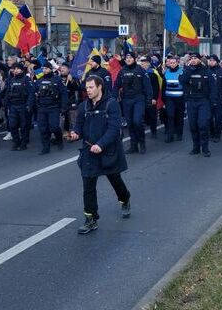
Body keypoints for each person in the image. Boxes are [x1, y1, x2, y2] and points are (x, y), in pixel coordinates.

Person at [69, 75, 130, 235]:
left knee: (115, 180)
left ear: (100, 87)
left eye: (91, 87)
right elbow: (79, 126)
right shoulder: (84, 106)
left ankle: (125, 199)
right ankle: (91, 219)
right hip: (89, 152)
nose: (88, 90)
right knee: (88, 186)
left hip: (108, 151)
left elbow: (114, 129)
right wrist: (75, 133)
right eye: (86, 88)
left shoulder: (112, 104)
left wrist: (101, 144)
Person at [114, 53, 152, 154]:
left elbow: (148, 86)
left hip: (138, 99)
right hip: (126, 100)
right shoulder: (122, 71)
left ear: (134, 59)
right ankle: (133, 146)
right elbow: (117, 85)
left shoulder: (141, 70)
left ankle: (142, 143)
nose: (128, 59)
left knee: (137, 121)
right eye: (127, 58)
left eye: (130, 58)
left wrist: (149, 99)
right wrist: (113, 98)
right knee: (130, 124)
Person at [180, 53, 215, 157]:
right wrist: (190, 69)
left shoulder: (206, 72)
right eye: (192, 58)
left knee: (203, 125)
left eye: (196, 58)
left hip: (203, 101)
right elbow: (182, 80)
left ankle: (205, 148)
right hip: (191, 101)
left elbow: (213, 87)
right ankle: (196, 147)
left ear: (200, 60)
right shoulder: (187, 71)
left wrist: (213, 101)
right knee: (193, 126)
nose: (194, 60)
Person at [34, 62, 68, 155]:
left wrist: (64, 107)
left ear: (50, 69)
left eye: (46, 68)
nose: (44, 70)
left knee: (54, 127)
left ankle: (59, 139)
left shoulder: (57, 80)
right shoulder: (39, 81)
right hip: (42, 108)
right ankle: (46, 147)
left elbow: (64, 94)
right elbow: (35, 93)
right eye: (43, 68)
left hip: (54, 107)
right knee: (43, 129)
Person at [4, 62, 35, 151]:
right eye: (15, 69)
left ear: (22, 70)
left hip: (23, 105)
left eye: (18, 68)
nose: (16, 70)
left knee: (24, 126)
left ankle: (23, 143)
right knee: (12, 125)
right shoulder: (11, 80)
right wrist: (6, 103)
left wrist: (29, 105)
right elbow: (8, 92)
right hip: (13, 106)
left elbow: (31, 93)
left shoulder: (26, 79)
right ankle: (16, 142)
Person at [206, 55, 222, 143]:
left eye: (213, 60)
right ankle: (211, 132)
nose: (211, 62)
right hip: (208, 99)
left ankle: (217, 135)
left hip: (219, 99)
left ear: (217, 61)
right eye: (210, 60)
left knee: (218, 118)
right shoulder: (206, 72)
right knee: (208, 118)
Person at [162, 55, 185, 143]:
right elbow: (164, 87)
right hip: (169, 98)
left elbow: (184, 86)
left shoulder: (182, 72)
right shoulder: (166, 72)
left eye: (174, 63)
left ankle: (179, 133)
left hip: (180, 98)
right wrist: (164, 99)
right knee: (170, 116)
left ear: (177, 63)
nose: (172, 64)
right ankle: (170, 135)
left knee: (179, 116)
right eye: (171, 63)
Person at [138, 56, 161, 140]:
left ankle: (153, 131)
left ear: (148, 63)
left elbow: (156, 87)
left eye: (143, 63)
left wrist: (154, 98)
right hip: (141, 98)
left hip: (150, 98)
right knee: (142, 116)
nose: (142, 64)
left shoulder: (152, 73)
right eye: (141, 63)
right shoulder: (139, 73)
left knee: (152, 116)